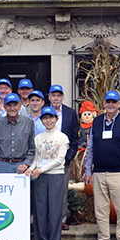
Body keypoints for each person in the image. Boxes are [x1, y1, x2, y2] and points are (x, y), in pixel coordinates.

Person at [84, 91, 120, 240]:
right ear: (104, 103)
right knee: (101, 210)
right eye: (108, 101)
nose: (111, 104)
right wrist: (87, 170)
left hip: (119, 173)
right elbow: (90, 148)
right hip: (99, 173)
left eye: (114, 102)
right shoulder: (97, 122)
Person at [28, 107, 70, 240]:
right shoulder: (38, 138)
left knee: (54, 210)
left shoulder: (62, 137)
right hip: (39, 176)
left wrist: (41, 169)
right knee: (40, 210)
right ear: (41, 120)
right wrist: (31, 169)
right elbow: (36, 159)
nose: (48, 120)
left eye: (51, 118)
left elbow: (59, 160)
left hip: (55, 175)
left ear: (56, 119)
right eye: (45, 118)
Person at [46, 84, 80, 231]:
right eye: (53, 95)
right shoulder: (44, 111)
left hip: (63, 160)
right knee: (44, 190)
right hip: (45, 159)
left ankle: (61, 219)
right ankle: (45, 220)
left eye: (59, 96)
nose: (56, 98)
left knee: (62, 190)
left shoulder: (70, 113)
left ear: (62, 97)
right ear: (49, 97)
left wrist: (70, 155)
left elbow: (75, 137)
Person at [0, 94, 35, 175]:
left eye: (15, 105)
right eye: (9, 105)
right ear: (4, 107)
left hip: (22, 164)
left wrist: (26, 164)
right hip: (2, 165)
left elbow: (32, 147)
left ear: (20, 106)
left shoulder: (29, 122)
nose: (12, 108)